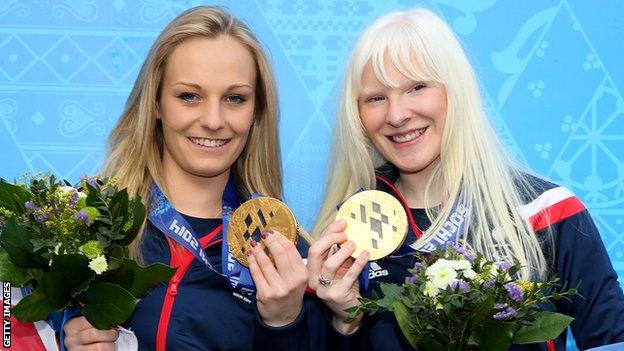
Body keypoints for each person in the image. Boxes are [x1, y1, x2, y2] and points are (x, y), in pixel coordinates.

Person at [307, 7, 624, 351]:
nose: (397, 114)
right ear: (357, 114)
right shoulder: (348, 234)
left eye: (417, 87)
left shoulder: (546, 211)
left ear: (455, 90)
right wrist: (345, 320)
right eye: (376, 98)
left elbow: (612, 339)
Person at [62, 6, 311, 350]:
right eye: (189, 96)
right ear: (156, 104)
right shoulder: (84, 221)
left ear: (256, 113)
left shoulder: (285, 253)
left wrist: (283, 325)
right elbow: (10, 327)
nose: (213, 120)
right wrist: (61, 338)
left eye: (234, 98)